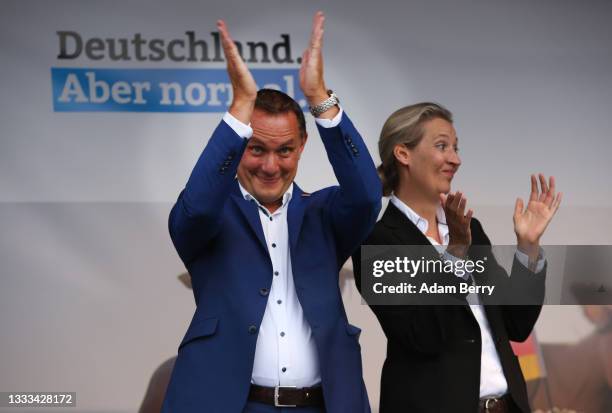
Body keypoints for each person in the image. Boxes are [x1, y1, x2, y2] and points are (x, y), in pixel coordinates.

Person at [162, 12, 380, 413]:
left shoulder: (323, 214)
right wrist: (240, 109)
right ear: (241, 145)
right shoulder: (211, 216)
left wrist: (319, 99)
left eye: (284, 150)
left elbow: (367, 196)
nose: (270, 165)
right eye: (256, 148)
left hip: (323, 405)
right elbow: (193, 212)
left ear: (301, 146)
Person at [352, 103, 562, 413]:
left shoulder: (469, 228)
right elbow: (422, 336)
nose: (456, 159)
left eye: (455, 148)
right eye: (442, 146)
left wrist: (528, 247)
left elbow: (516, 324)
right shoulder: (378, 242)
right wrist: (454, 256)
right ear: (403, 154)